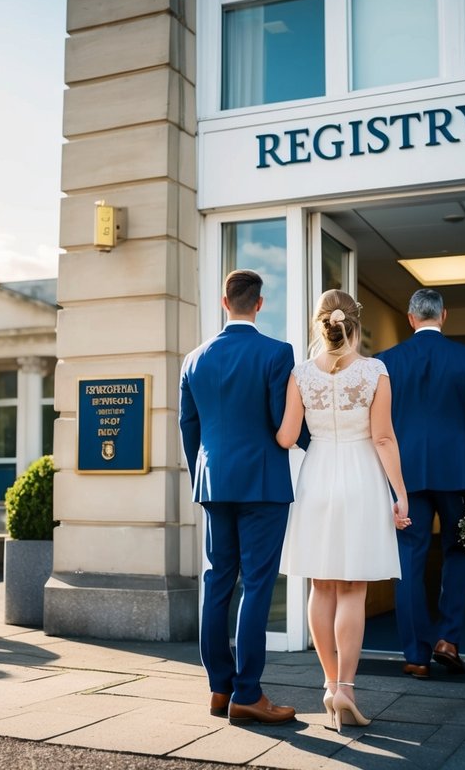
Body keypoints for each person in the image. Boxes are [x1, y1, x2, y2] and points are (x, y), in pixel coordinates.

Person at [276, 290, 410, 732]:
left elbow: (286, 436)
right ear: (355, 324)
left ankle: (329, 684)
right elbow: (384, 438)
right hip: (361, 479)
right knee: (353, 588)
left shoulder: (300, 375)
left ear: (321, 325)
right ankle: (347, 689)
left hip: (317, 478)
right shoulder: (375, 371)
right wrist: (401, 493)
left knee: (322, 584)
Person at [179, 269, 300, 725]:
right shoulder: (276, 353)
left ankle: (218, 688)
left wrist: (202, 476)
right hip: (263, 484)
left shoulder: (194, 359)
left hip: (214, 482)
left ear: (224, 302)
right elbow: (279, 421)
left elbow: (189, 428)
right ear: (260, 303)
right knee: (257, 584)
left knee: (218, 581)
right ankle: (248, 692)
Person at [375, 288, 465, 678]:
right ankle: (448, 638)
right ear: (444, 316)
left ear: (411, 318)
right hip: (457, 474)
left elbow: (378, 426)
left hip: (406, 474)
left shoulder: (386, 362)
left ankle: (415, 655)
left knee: (409, 561)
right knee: (459, 552)